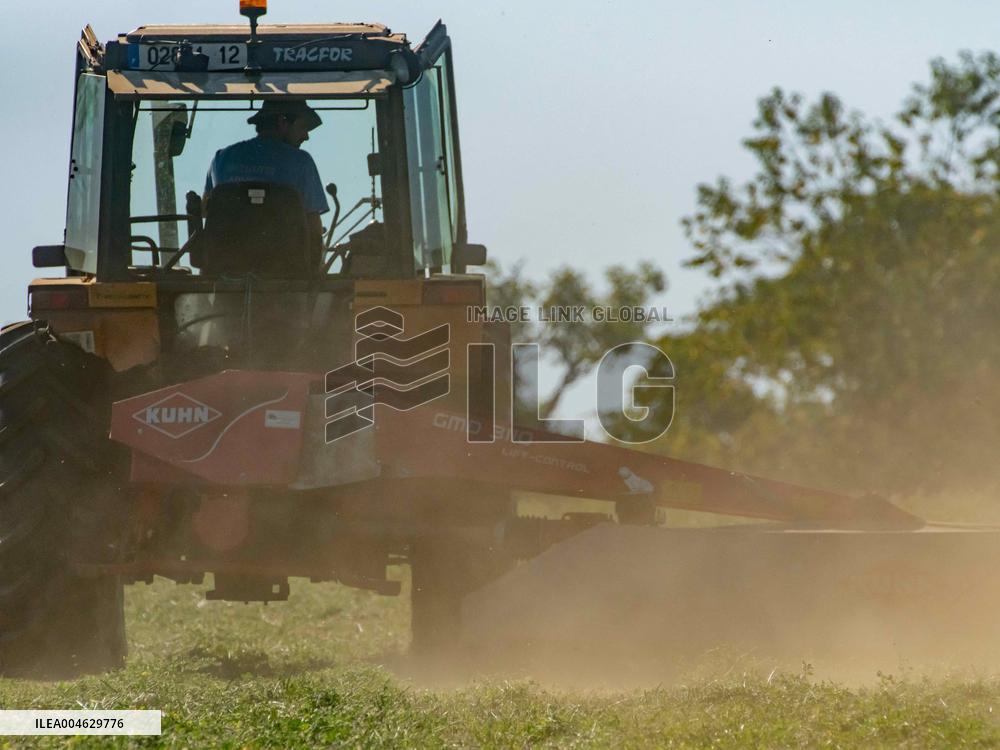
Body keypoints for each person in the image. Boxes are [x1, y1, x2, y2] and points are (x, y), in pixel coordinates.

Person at [203, 99, 330, 262]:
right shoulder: (301, 161)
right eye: (303, 127)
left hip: (225, 269)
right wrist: (315, 273)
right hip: (286, 271)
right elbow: (313, 226)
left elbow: (208, 214)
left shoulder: (221, 158)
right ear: (283, 122)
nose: (306, 136)